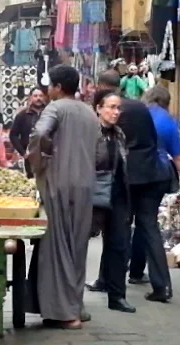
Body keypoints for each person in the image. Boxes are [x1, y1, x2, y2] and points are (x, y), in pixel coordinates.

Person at [27, 66, 99, 328]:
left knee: (57, 247)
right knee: (77, 247)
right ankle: (76, 306)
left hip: (58, 183)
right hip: (85, 184)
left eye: (49, 86)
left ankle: (66, 314)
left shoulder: (55, 108)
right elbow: (99, 149)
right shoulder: (90, 112)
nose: (47, 90)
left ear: (57, 87)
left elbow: (39, 133)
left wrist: (38, 162)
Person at [125, 84, 180, 299]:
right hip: (157, 176)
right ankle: (150, 278)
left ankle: (120, 278)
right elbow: (179, 156)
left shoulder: (136, 114)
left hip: (133, 175)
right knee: (147, 223)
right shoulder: (167, 121)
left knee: (129, 224)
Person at [90, 88, 136, 314]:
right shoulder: (89, 133)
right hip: (94, 196)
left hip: (117, 196)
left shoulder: (119, 134)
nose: (116, 112)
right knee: (80, 246)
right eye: (111, 107)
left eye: (118, 108)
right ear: (98, 108)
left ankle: (117, 296)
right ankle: (73, 300)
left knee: (119, 246)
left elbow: (123, 168)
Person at [8, 88, 46, 164]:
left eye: (41, 96)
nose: (38, 98)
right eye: (35, 96)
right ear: (30, 98)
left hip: (47, 157)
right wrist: (23, 153)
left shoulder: (49, 113)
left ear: (44, 97)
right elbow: (13, 135)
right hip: (30, 157)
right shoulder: (22, 115)